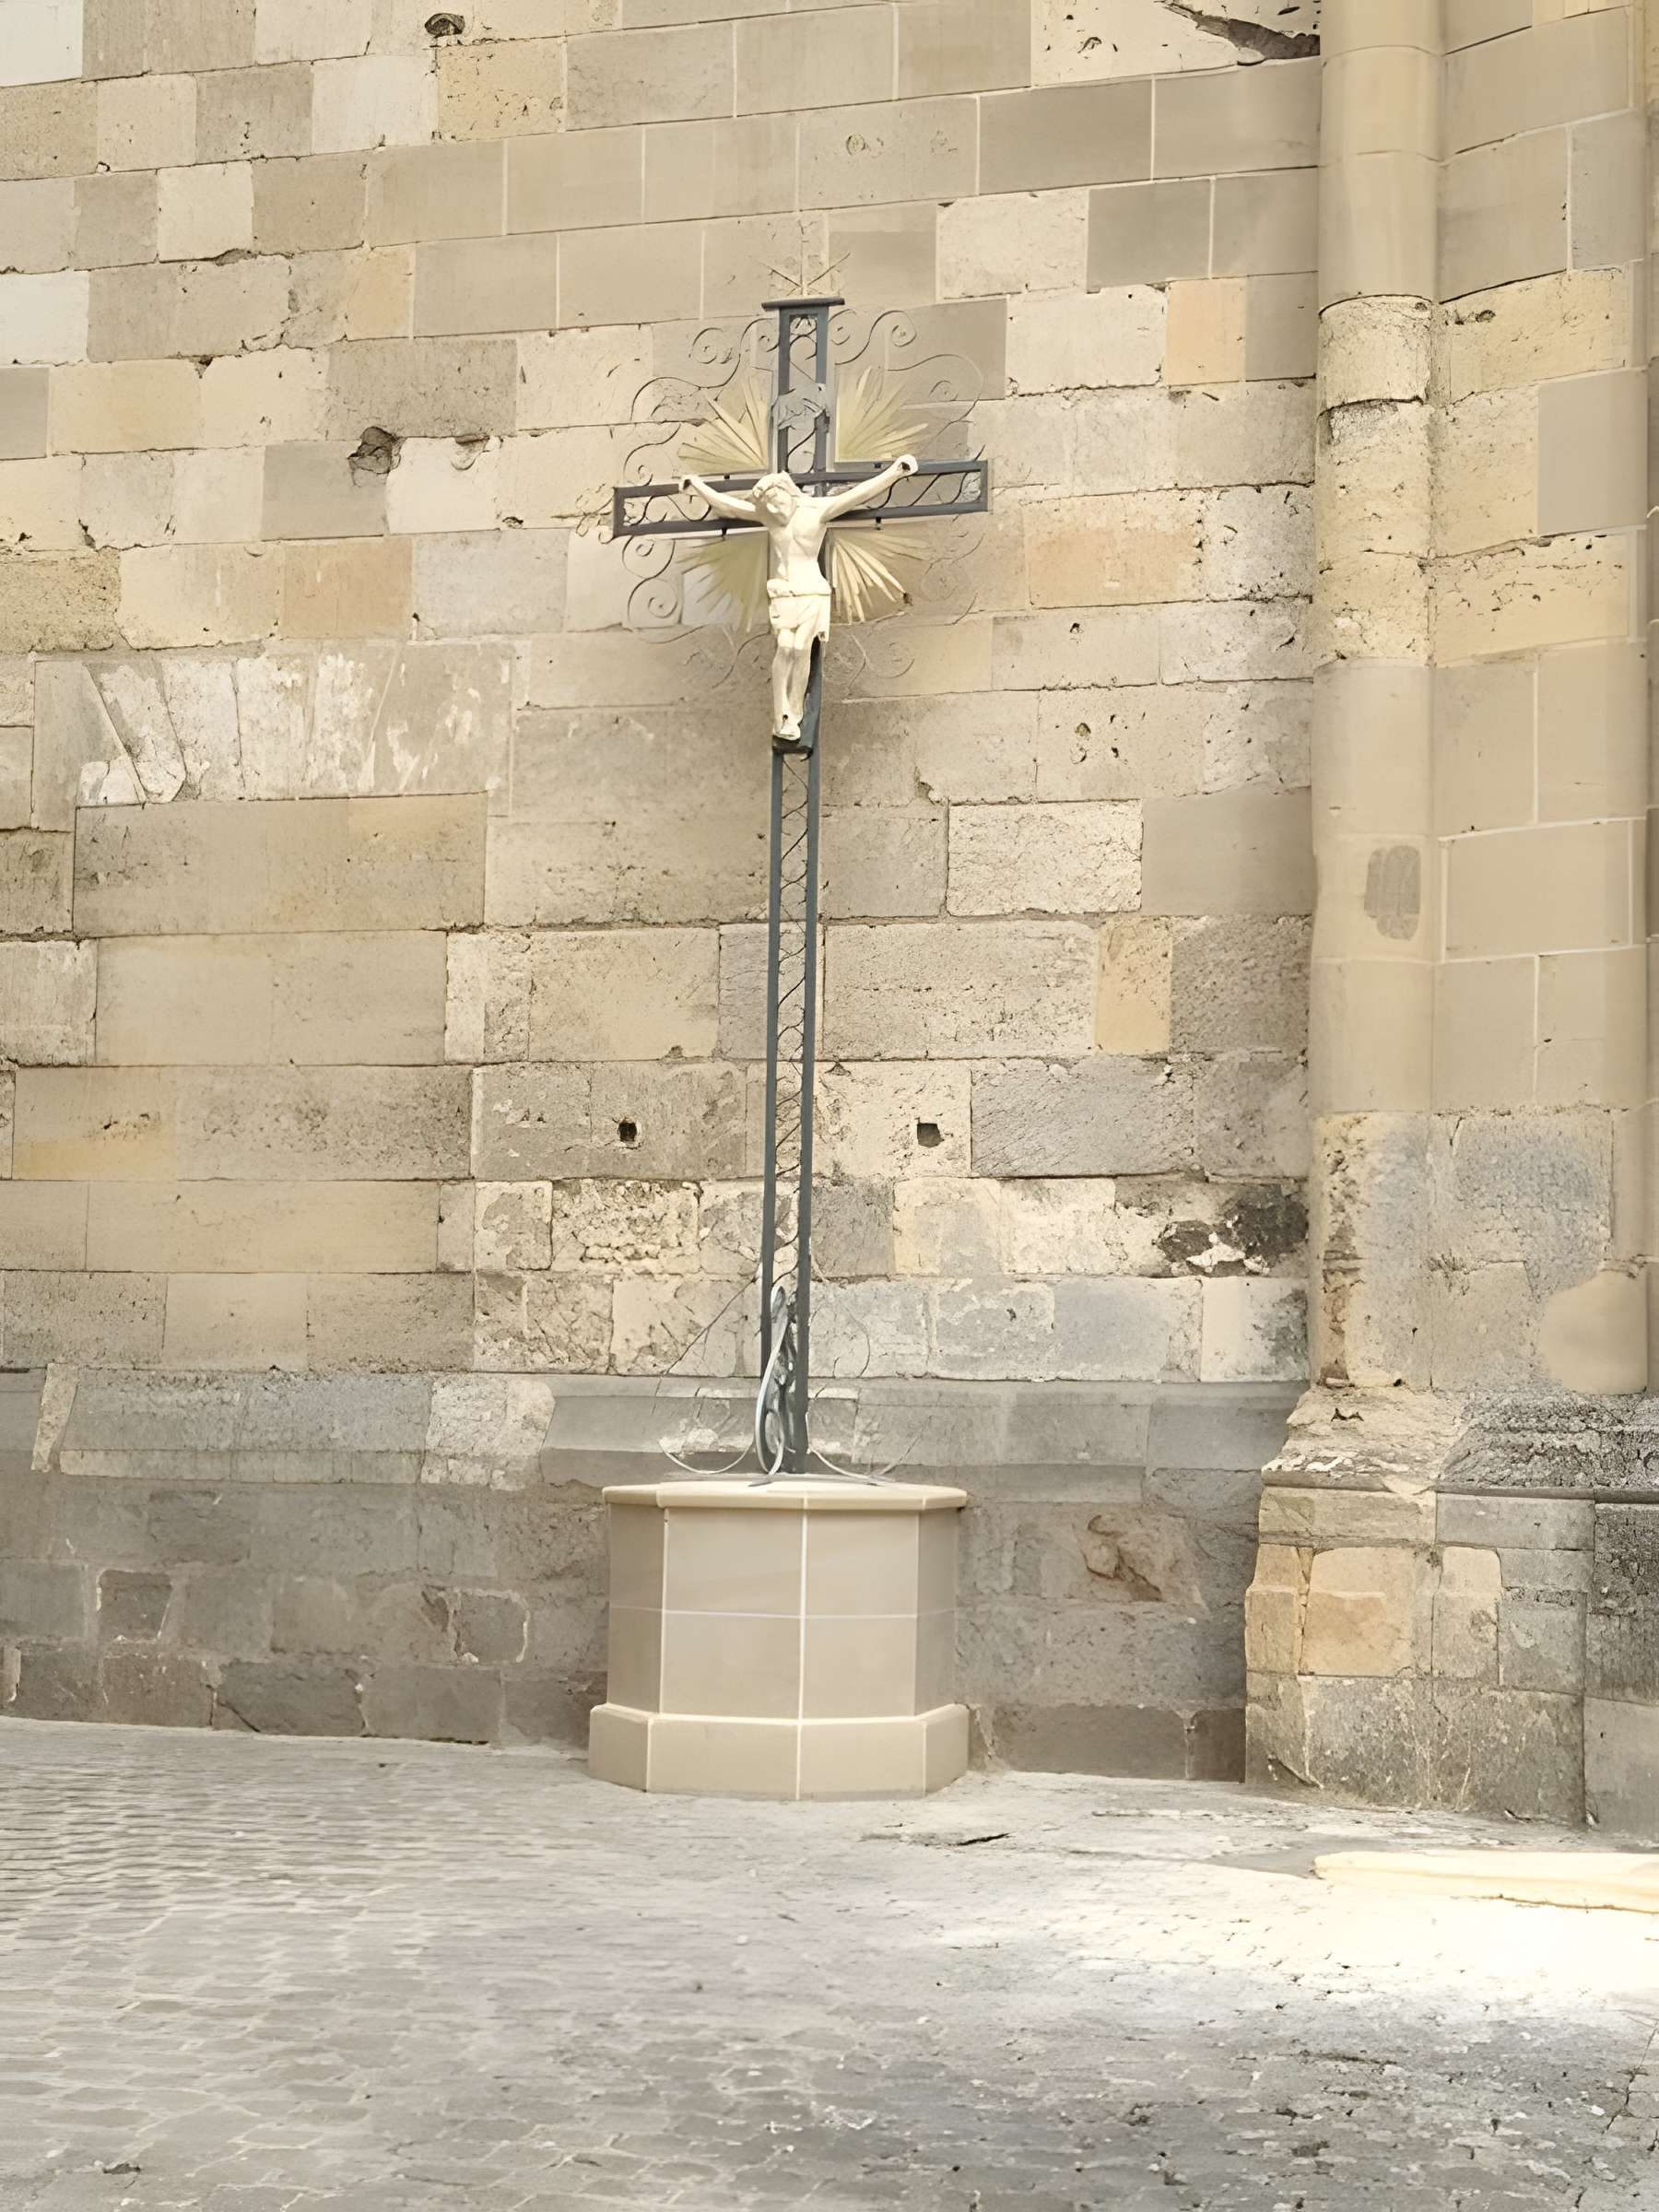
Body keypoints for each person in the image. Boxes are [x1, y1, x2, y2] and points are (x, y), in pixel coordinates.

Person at [678, 456, 919, 740]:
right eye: (766, 504)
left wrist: (894, 473)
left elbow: (859, 494)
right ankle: (780, 714)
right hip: (784, 592)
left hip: (812, 591)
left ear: (787, 492)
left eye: (774, 500)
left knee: (801, 647)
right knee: (785, 646)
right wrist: (696, 487)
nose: (771, 508)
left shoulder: (817, 511)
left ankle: (794, 715)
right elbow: (728, 506)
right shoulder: (769, 517)